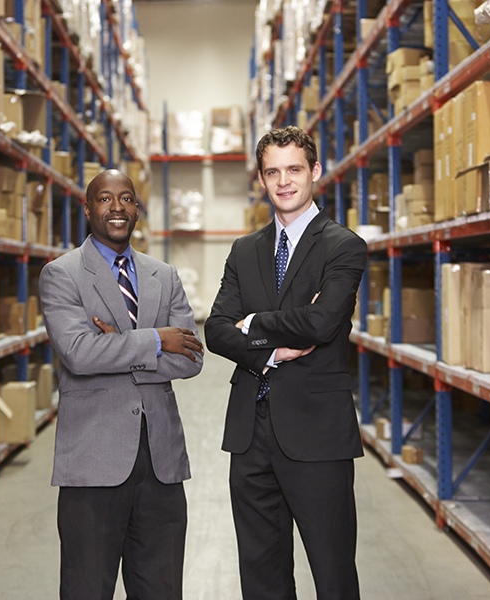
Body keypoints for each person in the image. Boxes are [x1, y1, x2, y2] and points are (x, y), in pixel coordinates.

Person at [205, 126, 367, 600]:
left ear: (315, 171)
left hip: (317, 434)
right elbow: (215, 330)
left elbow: (320, 323)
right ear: (261, 178)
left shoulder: (343, 246)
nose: (284, 181)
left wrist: (251, 322)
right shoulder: (245, 250)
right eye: (272, 172)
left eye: (294, 169)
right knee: (262, 575)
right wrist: (273, 346)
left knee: (332, 571)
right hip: (250, 434)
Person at [39, 169, 204, 600]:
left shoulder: (162, 275)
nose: (118, 207)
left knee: (162, 590)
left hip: (161, 466)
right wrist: (154, 340)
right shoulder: (62, 274)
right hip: (94, 464)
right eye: (106, 199)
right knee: (87, 589)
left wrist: (116, 345)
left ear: (137, 207)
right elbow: (78, 353)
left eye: (127, 198)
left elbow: (190, 359)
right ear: (89, 208)